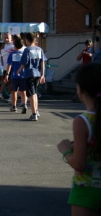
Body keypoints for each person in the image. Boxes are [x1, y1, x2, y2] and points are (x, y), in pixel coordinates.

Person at [57, 62, 101, 216]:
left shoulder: (83, 121)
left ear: (81, 89)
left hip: (86, 189)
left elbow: (79, 164)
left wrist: (65, 150)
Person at [17, 32, 46, 121]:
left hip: (29, 73)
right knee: (35, 92)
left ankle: (34, 114)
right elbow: (42, 62)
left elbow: (24, 62)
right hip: (37, 73)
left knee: (31, 94)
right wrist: (42, 74)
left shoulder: (27, 50)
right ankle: (36, 110)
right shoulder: (39, 49)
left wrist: (19, 70)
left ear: (26, 40)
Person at [4, 36, 27, 113]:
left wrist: (7, 74)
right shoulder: (24, 54)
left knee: (14, 91)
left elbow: (9, 65)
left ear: (14, 45)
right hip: (23, 74)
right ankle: (24, 104)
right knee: (23, 91)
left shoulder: (12, 54)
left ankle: (14, 106)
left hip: (14, 75)